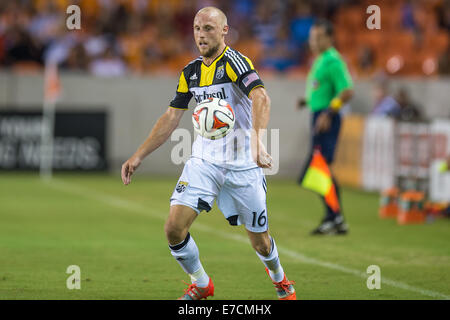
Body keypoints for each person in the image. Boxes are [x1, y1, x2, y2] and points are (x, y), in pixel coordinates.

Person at [121, 7, 296, 300]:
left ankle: (280, 280)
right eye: (197, 28)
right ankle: (202, 284)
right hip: (204, 162)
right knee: (173, 229)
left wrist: (257, 142)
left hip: (243, 164)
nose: (201, 35)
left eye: (209, 29)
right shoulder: (189, 72)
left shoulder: (235, 63)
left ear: (225, 31)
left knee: (261, 243)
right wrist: (138, 155)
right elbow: (170, 117)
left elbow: (260, 96)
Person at [297, 19, 354, 235]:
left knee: (317, 169)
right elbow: (320, 90)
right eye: (312, 38)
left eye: (318, 37)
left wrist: (329, 112)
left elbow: (347, 91)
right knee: (319, 170)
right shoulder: (320, 60)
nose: (313, 41)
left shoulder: (333, 61)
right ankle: (335, 218)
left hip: (327, 119)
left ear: (330, 38)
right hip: (319, 115)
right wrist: (307, 101)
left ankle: (335, 217)